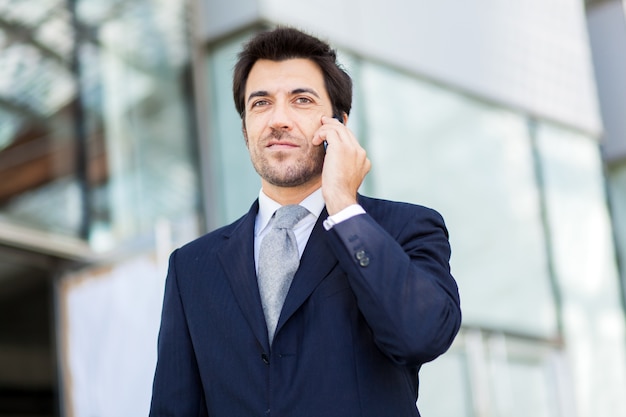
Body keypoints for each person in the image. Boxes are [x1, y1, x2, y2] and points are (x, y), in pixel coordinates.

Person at [149, 26, 461, 417]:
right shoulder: (191, 267)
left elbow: (422, 335)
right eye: (261, 103)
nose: (279, 119)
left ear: (339, 124)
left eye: (301, 100)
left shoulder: (405, 228)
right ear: (245, 128)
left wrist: (345, 209)